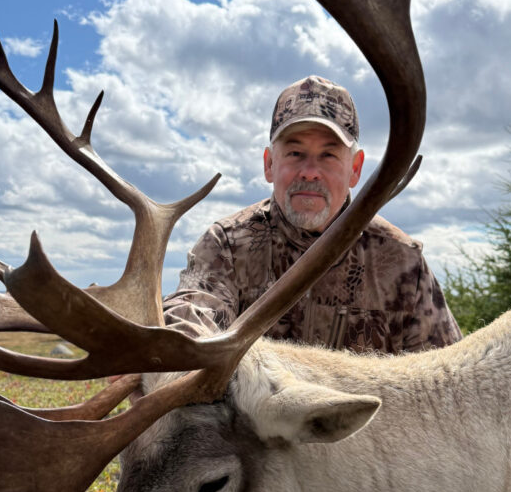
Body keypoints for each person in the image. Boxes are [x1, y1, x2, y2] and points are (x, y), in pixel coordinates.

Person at [163, 75, 461, 354]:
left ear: (355, 169)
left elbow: (444, 375)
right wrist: (171, 350)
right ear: (269, 164)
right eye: (295, 153)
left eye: (328, 155)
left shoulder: (402, 262)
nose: (309, 173)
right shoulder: (227, 245)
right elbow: (193, 313)